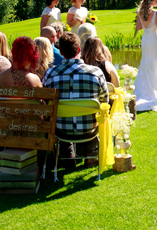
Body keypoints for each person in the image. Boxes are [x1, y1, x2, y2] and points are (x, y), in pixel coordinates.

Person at [43, 32, 109, 163]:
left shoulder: (50, 73)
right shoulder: (95, 72)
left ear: (60, 52)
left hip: (61, 130)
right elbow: (104, 101)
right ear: (79, 49)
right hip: (89, 128)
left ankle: (67, 154)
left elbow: (46, 102)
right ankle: (91, 154)